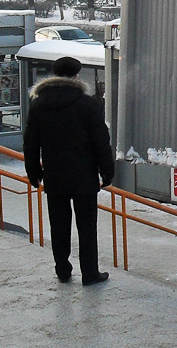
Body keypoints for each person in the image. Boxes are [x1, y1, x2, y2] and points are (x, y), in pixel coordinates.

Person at [24, 56, 115, 285]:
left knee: (59, 225)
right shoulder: (88, 104)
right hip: (84, 176)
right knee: (87, 226)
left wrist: (33, 172)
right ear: (76, 76)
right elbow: (101, 141)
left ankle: (63, 270)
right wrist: (107, 171)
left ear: (54, 75)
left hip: (54, 176)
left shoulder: (39, 104)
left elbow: (31, 142)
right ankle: (90, 273)